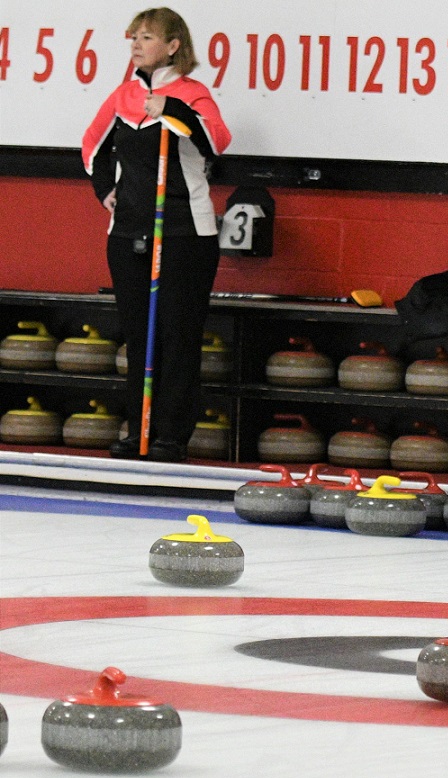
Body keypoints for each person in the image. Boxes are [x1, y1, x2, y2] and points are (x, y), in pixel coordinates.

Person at [81, 7, 231, 462]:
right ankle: (139, 429)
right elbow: (92, 147)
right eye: (134, 37)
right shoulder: (122, 96)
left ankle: (171, 435)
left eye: (147, 37)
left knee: (178, 336)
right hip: (128, 232)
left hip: (185, 233)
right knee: (138, 336)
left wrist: (174, 111)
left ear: (172, 46)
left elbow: (216, 140)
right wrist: (105, 190)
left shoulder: (192, 94)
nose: (137, 44)